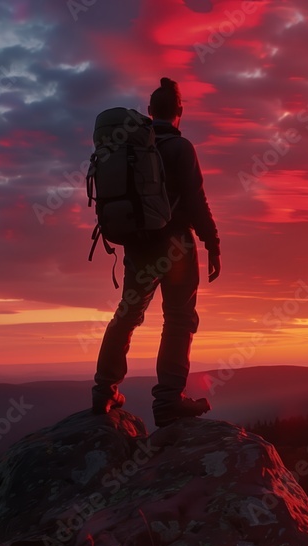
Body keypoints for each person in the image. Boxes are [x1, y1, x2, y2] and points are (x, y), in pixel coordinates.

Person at [91, 77, 221, 427]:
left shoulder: (133, 147)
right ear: (180, 111)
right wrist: (213, 243)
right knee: (178, 319)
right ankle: (167, 400)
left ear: (150, 111)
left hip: (138, 243)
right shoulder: (181, 148)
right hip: (176, 244)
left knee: (128, 314)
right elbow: (196, 201)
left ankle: (104, 391)